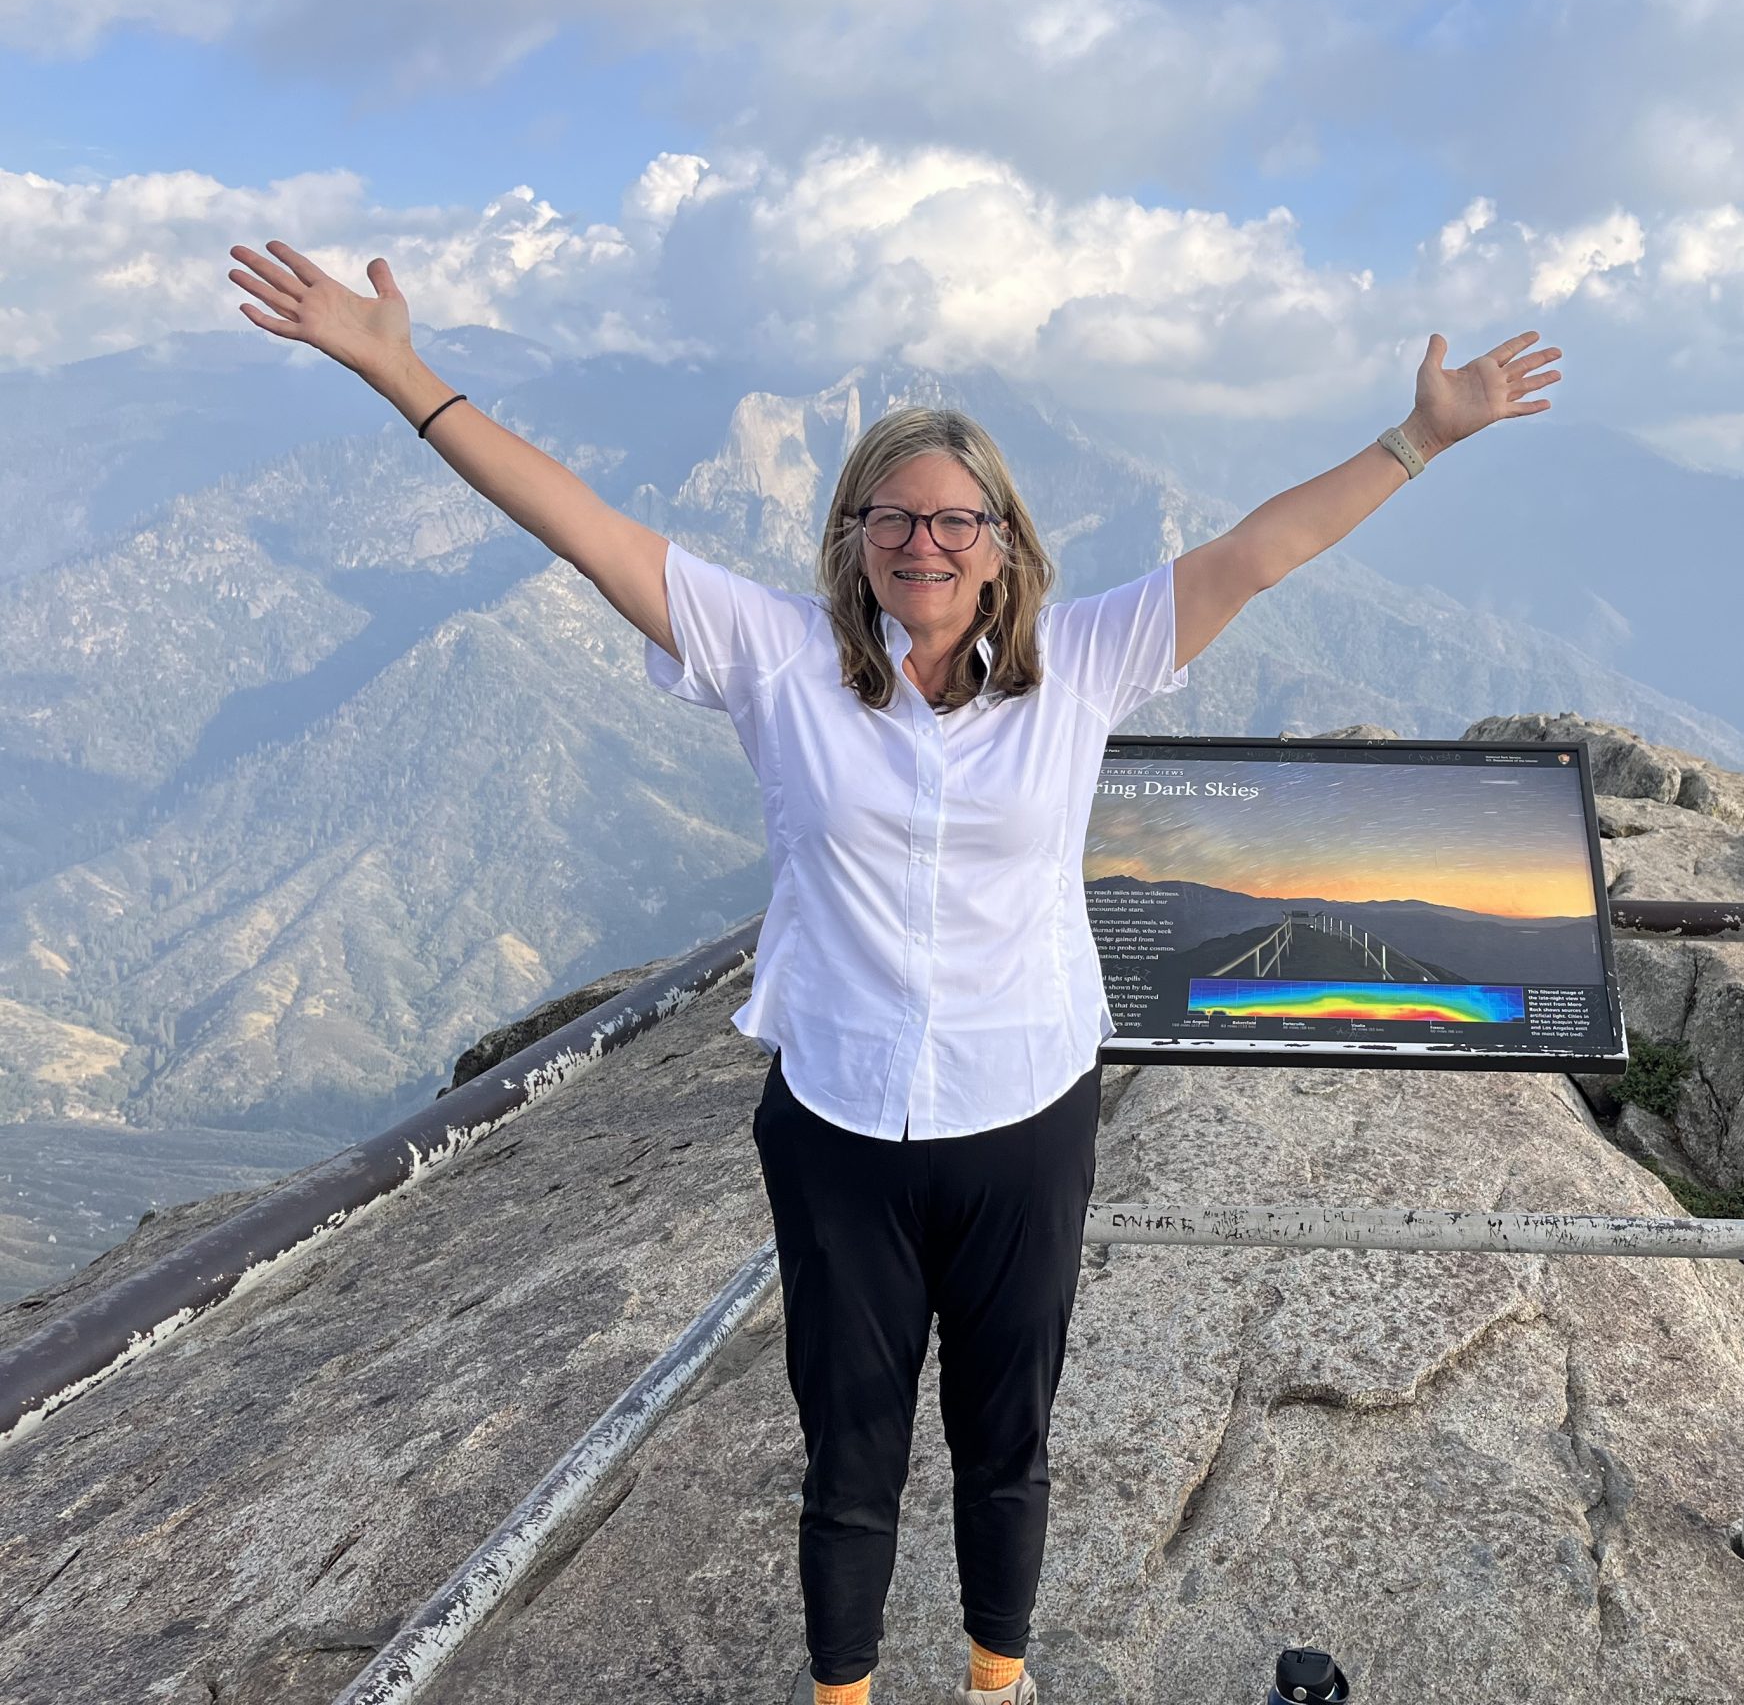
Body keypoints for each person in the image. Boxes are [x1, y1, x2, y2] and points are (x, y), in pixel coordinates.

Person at [225, 237, 1563, 1704]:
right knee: (848, 1442)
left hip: (1023, 1109)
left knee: (1008, 1433)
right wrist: (403, 374)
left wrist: (1420, 441)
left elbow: (1261, 548)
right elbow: (585, 528)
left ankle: (1000, 1681)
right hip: (842, 1121)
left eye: (955, 520)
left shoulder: (1087, 663)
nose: (924, 543)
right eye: (893, 518)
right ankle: (843, 1693)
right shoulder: (776, 660)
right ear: (854, 536)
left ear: (1003, 541)